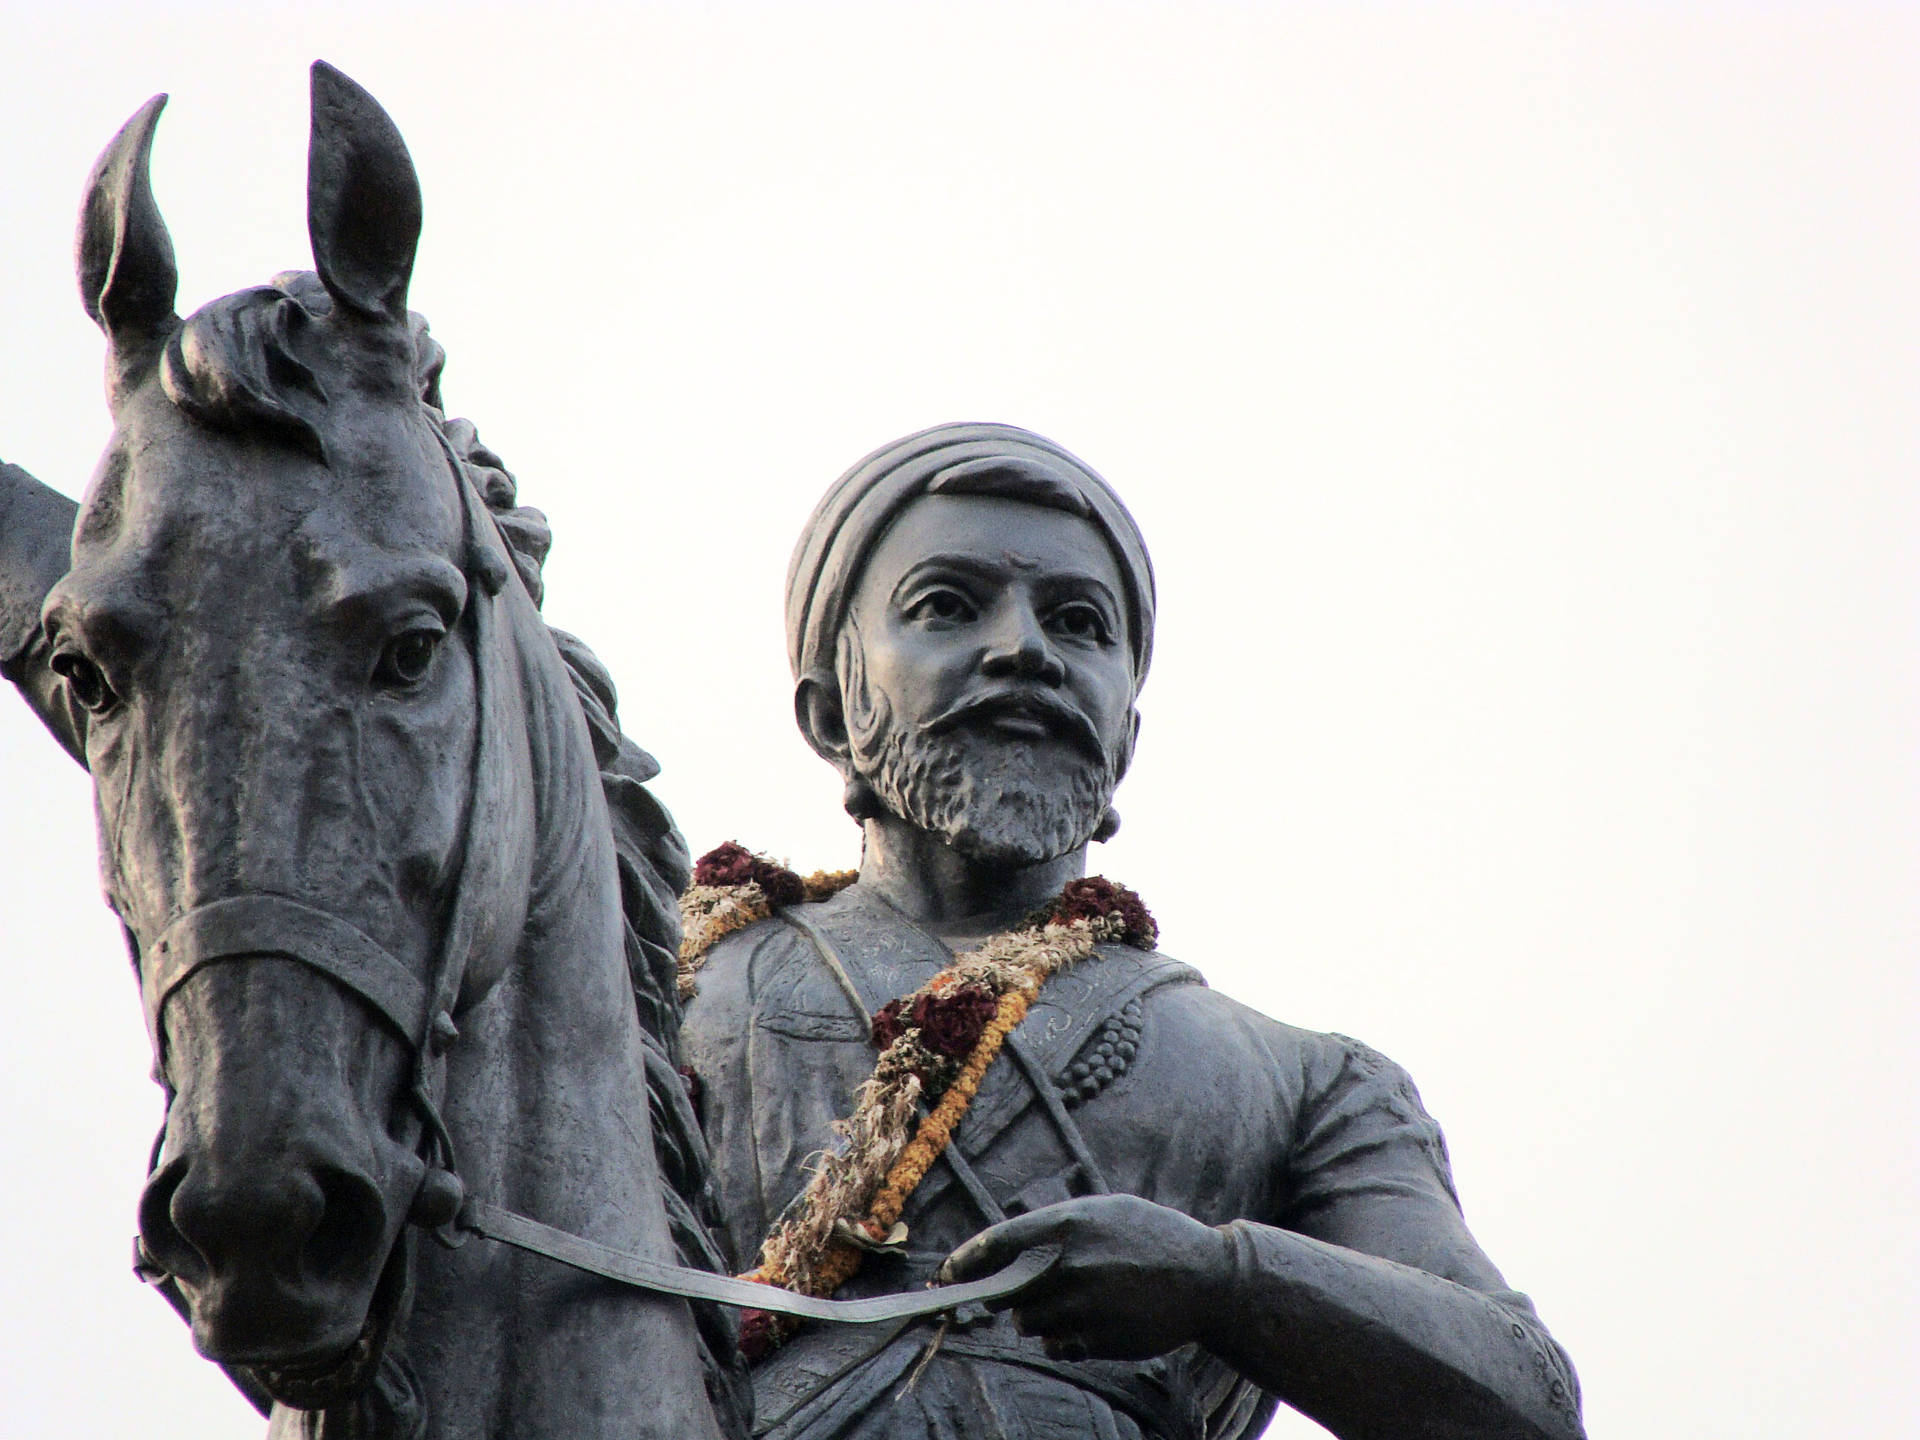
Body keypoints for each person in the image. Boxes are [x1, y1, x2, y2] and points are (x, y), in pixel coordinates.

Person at [677, 421, 1585, 1440]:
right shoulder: (669, 994)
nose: (1024, 650)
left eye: (1078, 623)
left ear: (1126, 735)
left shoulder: (1304, 1083)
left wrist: (1218, 1280)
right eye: (945, 606)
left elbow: (1529, 1406)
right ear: (831, 713)